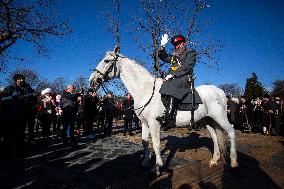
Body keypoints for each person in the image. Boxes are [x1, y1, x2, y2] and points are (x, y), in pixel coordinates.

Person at [156, 34, 197, 131]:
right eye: (175, 44)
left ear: (184, 43)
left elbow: (187, 66)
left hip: (185, 78)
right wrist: (162, 47)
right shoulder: (175, 56)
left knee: (174, 85)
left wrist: (174, 74)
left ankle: (168, 119)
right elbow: (164, 57)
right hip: (173, 78)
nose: (177, 46)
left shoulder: (191, 53)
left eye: (179, 43)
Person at [0, 74, 36, 157]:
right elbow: (2, 99)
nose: (22, 80)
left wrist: (33, 98)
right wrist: (13, 97)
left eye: (23, 79)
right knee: (10, 134)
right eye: (20, 79)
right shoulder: (10, 88)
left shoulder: (28, 88)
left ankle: (19, 151)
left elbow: (34, 99)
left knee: (21, 133)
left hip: (24, 114)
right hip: (12, 115)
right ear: (16, 80)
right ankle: (7, 151)